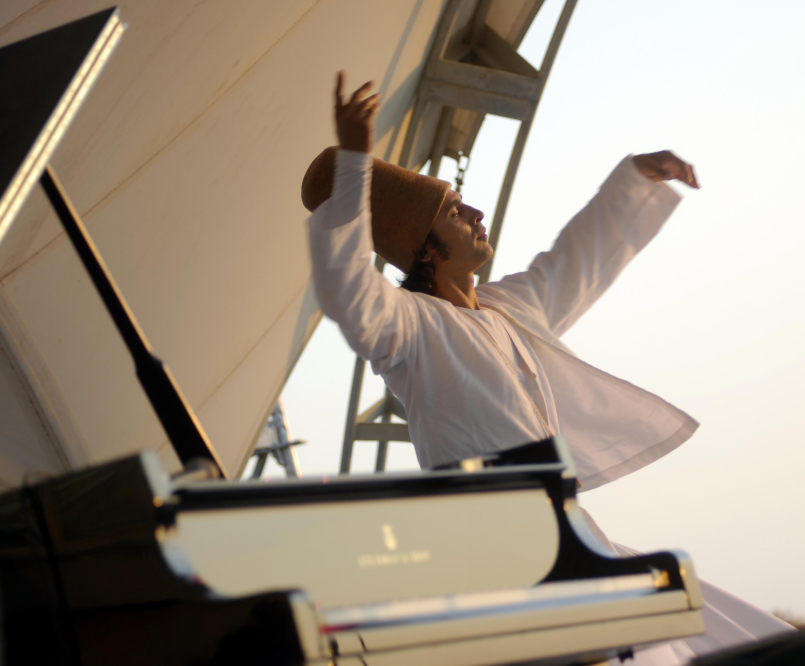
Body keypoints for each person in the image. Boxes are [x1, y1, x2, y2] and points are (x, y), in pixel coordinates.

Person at [301, 73, 794, 664]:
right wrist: (356, 159)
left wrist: (635, 178)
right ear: (427, 250)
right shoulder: (410, 327)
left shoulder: (507, 309)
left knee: (721, 637)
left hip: (567, 540)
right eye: (456, 212)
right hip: (503, 556)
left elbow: (573, 262)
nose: (477, 212)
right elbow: (347, 287)